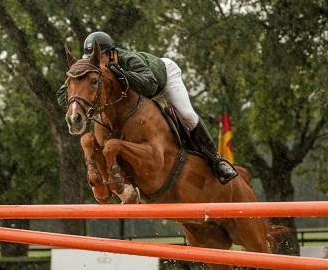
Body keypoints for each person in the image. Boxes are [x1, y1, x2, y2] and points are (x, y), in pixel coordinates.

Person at [59, 31, 238, 184]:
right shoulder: (92, 69)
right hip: (143, 90)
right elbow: (62, 96)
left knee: (188, 115)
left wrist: (121, 73)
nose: (96, 64)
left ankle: (216, 160)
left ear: (111, 54)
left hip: (164, 80)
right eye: (91, 59)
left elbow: (150, 86)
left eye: (99, 58)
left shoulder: (128, 60)